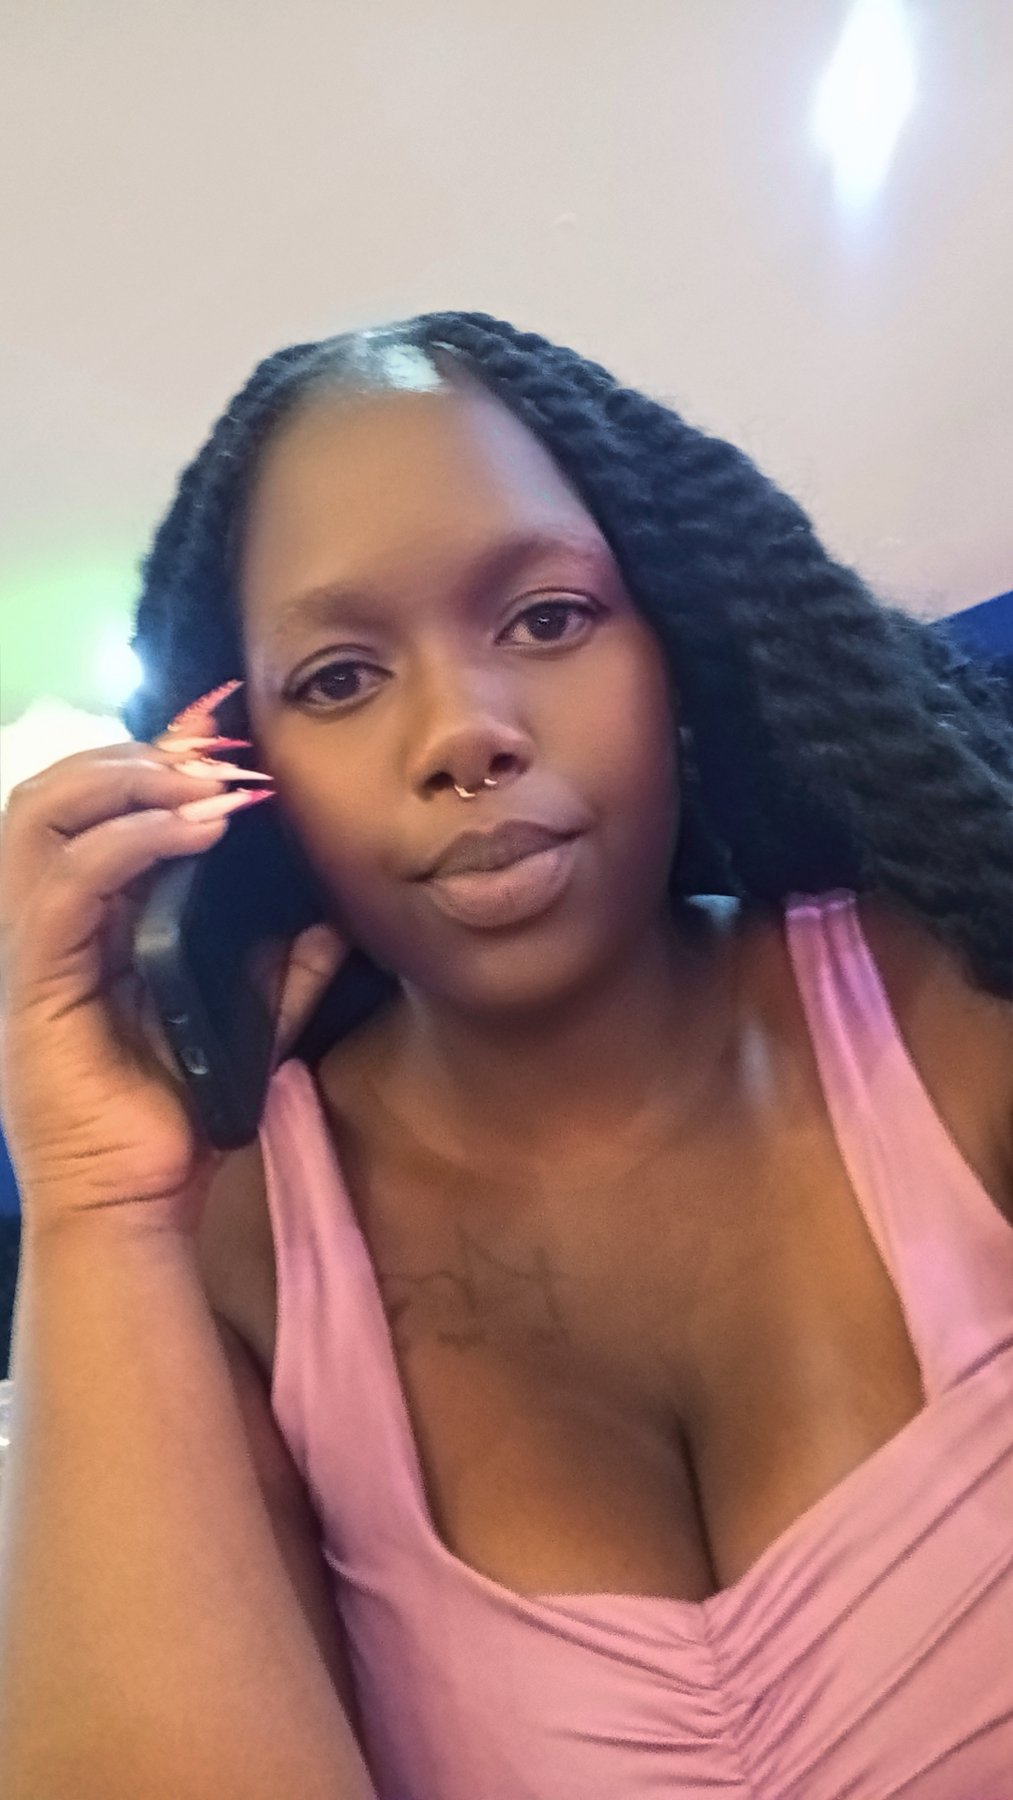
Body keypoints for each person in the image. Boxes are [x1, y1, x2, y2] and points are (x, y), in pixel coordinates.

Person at [1, 311, 1011, 1799]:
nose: (462, 735)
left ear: (676, 648)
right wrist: (92, 1209)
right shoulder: (235, 1246)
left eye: (545, 619)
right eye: (338, 678)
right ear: (243, 777)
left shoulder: (962, 1008)